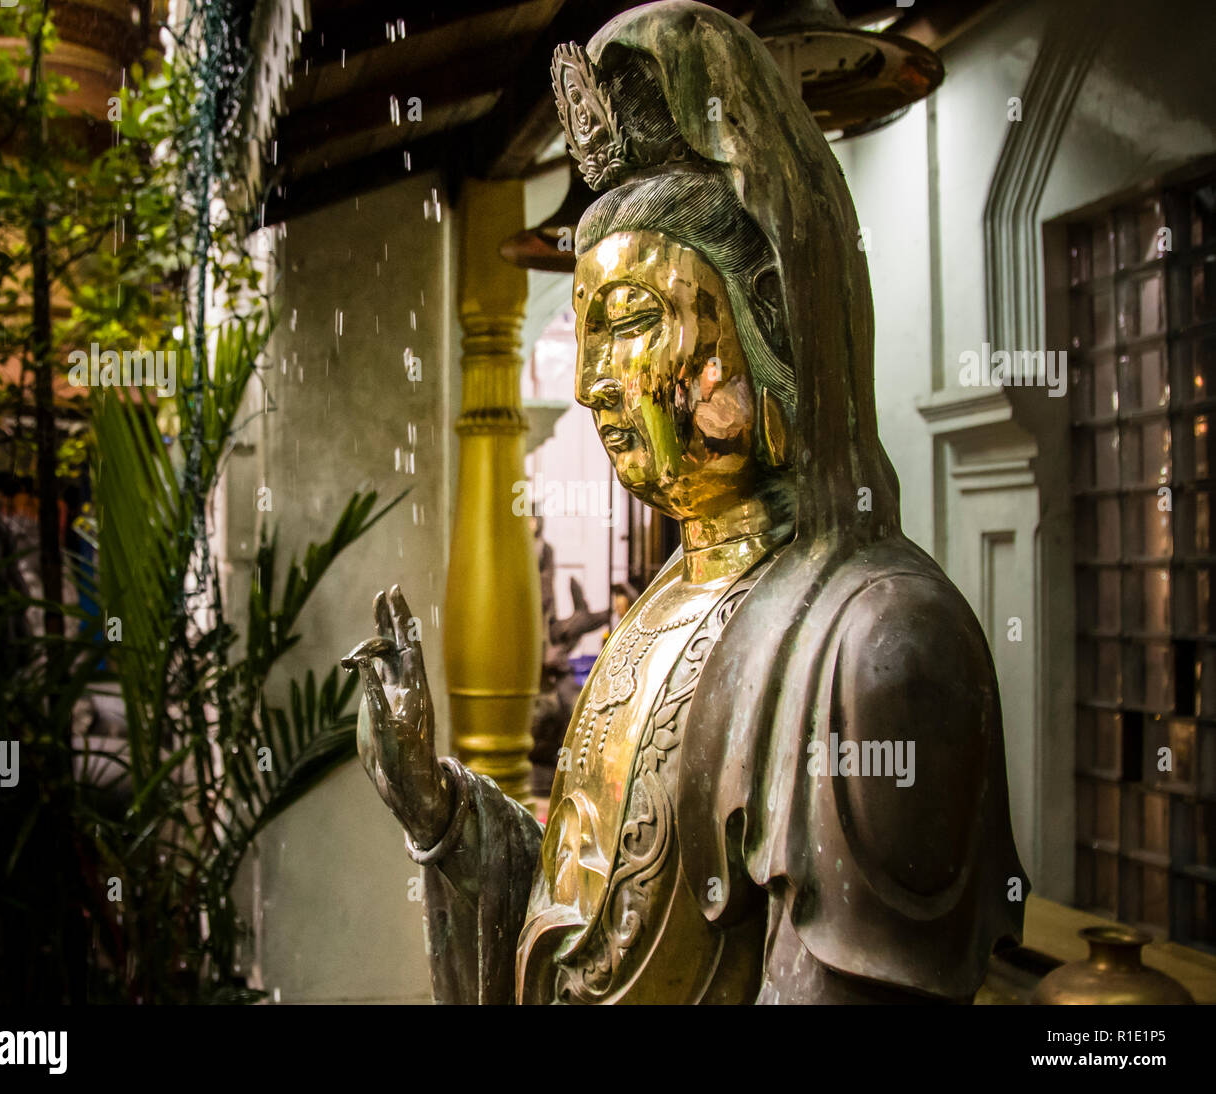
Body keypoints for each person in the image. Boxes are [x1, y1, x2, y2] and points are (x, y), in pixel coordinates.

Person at [345, 0, 1026, 1004]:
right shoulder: (669, 598)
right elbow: (590, 908)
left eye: (629, 319)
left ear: (769, 329)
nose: (589, 382)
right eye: (585, 333)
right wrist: (443, 812)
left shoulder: (876, 643)